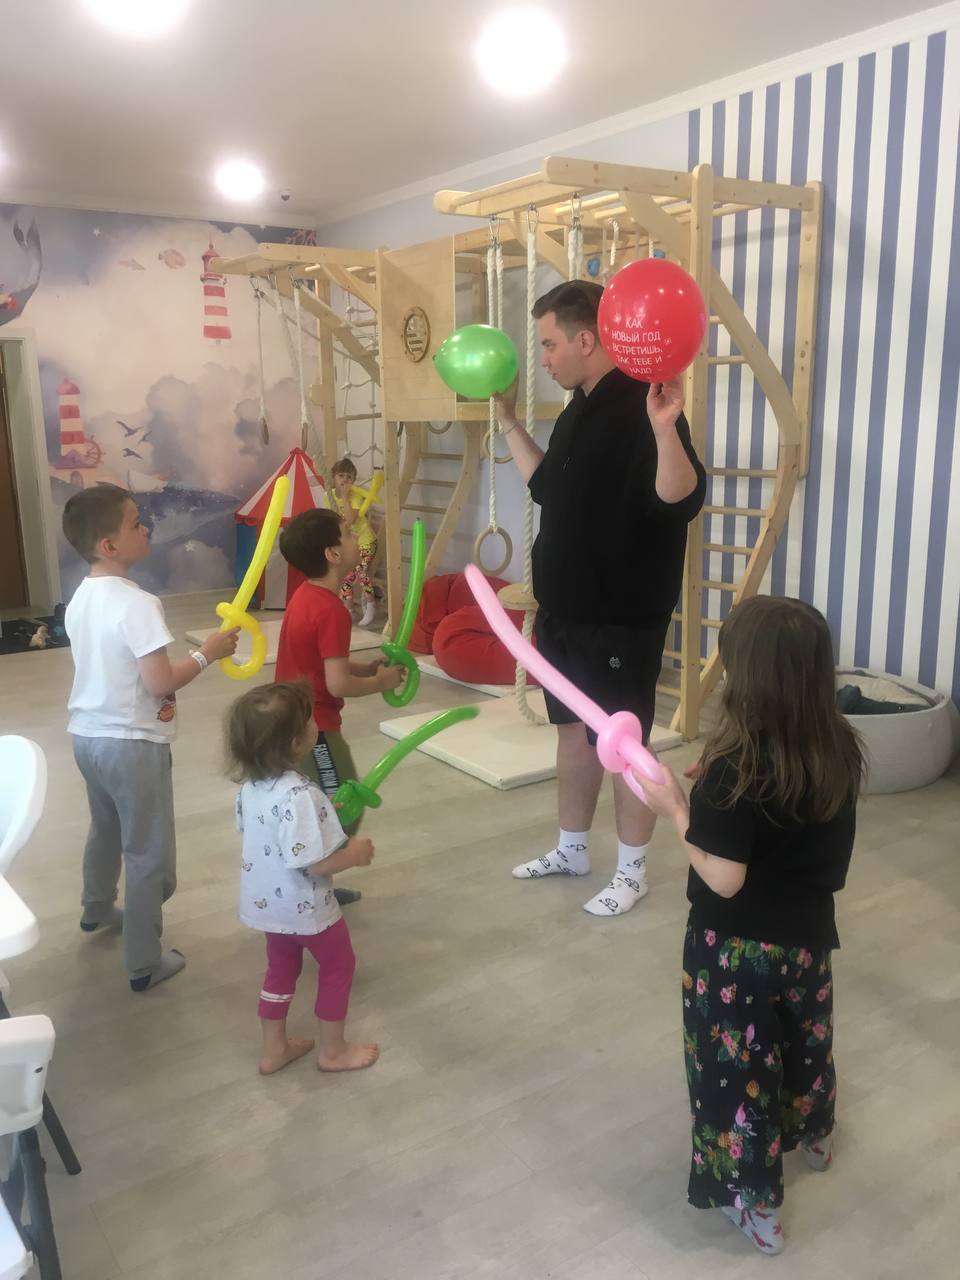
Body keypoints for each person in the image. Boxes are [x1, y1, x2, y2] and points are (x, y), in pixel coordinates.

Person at [639, 596, 863, 1255]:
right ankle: (814, 1134)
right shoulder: (839, 747)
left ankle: (755, 1204)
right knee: (804, 1043)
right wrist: (713, 792)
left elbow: (724, 877)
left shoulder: (735, 769)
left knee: (734, 1073)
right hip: (808, 940)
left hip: (733, 954)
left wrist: (677, 809)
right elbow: (785, 818)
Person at [493, 279, 706, 916]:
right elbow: (546, 489)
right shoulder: (577, 410)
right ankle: (572, 849)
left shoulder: (647, 403)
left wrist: (665, 431)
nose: (544, 358)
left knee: (623, 744)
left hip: (619, 620)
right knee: (573, 734)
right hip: (565, 613)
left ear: (586, 340)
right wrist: (507, 423)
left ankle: (632, 872)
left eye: (550, 344)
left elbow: (681, 500)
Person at [62, 484, 239, 991]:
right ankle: (143, 961)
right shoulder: (138, 604)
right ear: (109, 545)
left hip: (87, 737)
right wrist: (208, 653)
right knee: (147, 853)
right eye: (136, 523)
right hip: (131, 744)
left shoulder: (81, 596)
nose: (147, 528)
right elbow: (160, 682)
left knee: (106, 828)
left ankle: (96, 908)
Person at [227, 680, 379, 1075]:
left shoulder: (251, 788)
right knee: (338, 965)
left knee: (280, 971)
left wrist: (323, 814)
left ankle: (274, 1049)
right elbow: (315, 864)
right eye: (310, 720)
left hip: (268, 906)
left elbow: (272, 834)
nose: (316, 724)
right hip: (307, 909)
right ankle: (333, 1051)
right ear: (297, 742)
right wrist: (354, 854)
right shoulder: (301, 795)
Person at [275, 507, 403, 905]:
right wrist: (380, 682)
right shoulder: (332, 611)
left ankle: (315, 882)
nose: (355, 539)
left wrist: (365, 667)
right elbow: (337, 683)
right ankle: (314, 880)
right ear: (332, 554)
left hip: (289, 719)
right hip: (315, 729)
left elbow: (319, 662)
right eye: (348, 534)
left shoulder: (305, 596)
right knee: (343, 803)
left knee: (313, 803)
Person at [328, 457, 379, 628]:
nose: (345, 480)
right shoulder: (329, 496)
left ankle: (371, 604)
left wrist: (345, 496)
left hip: (366, 542)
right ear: (334, 477)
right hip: (350, 544)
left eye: (349, 477)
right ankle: (349, 611)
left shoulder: (355, 496)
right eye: (341, 475)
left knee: (361, 573)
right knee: (345, 578)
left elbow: (350, 520)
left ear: (353, 480)